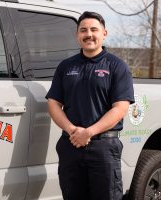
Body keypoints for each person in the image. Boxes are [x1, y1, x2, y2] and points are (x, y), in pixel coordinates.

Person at [45, 11, 134, 200]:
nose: (89, 34)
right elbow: (53, 104)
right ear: (77, 35)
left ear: (104, 34)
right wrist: (72, 130)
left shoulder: (117, 66)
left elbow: (120, 108)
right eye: (83, 30)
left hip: (104, 148)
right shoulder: (65, 67)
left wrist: (89, 132)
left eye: (94, 29)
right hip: (70, 145)